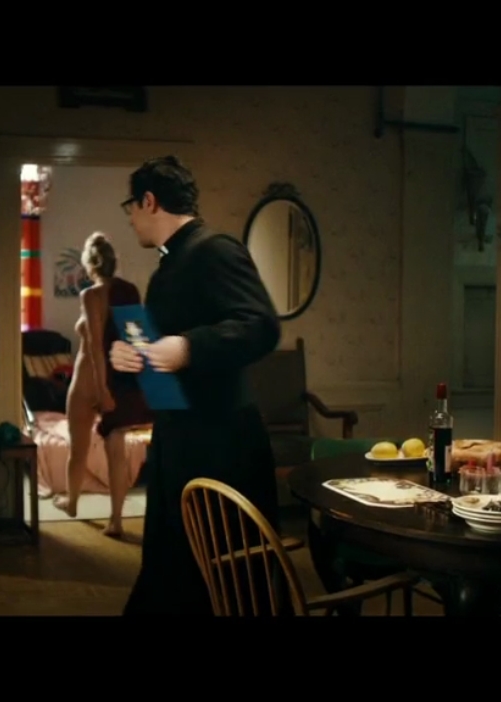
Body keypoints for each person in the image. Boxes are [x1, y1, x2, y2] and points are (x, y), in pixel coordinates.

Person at [109, 155, 282, 615]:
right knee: (172, 572)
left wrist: (188, 348)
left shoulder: (214, 249)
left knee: (224, 582)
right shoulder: (166, 267)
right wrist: (128, 357)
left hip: (221, 447)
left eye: (130, 206)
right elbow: (160, 355)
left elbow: (261, 325)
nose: (130, 218)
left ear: (149, 201)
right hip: (179, 443)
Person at [53, 231, 154, 538]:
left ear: (89, 264)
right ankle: (116, 520)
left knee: (78, 449)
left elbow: (95, 346)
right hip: (121, 378)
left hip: (90, 380)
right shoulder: (129, 291)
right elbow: (138, 339)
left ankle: (72, 502)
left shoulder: (91, 295)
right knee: (116, 453)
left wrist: (102, 390)